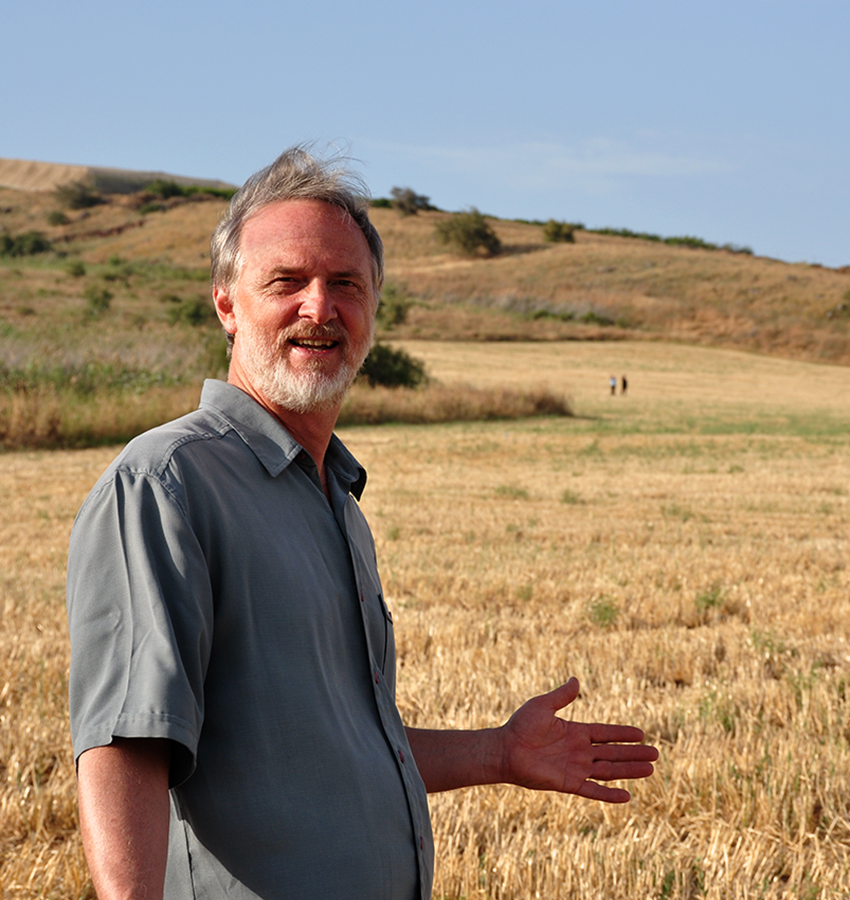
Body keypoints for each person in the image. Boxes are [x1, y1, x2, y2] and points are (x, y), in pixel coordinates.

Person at [67, 146, 658, 900]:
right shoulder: (168, 484)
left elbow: (336, 753)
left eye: (345, 283)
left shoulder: (336, 499)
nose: (320, 307)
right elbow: (127, 743)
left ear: (374, 305)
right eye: (286, 281)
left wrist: (501, 754)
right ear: (226, 303)